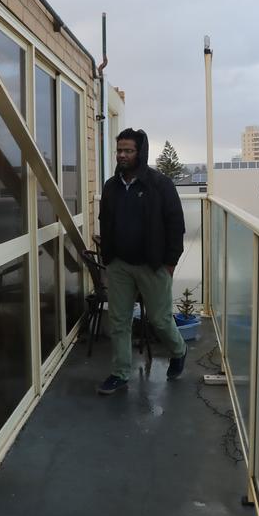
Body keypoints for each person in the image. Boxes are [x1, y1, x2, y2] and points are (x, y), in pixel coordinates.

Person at [96, 128, 187, 394]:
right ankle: (120, 372)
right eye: (120, 150)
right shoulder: (111, 186)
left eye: (128, 150)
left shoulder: (160, 185)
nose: (122, 155)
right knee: (119, 321)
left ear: (140, 152)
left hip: (153, 265)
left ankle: (179, 350)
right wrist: (108, 257)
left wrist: (170, 262)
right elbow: (105, 221)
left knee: (159, 320)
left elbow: (176, 225)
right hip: (120, 265)